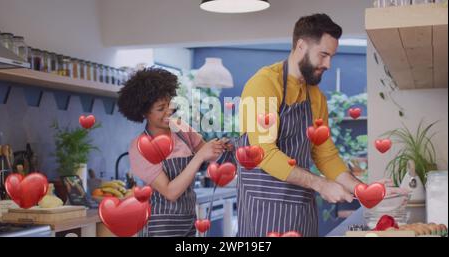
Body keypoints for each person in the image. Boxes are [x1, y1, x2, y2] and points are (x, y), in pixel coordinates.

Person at [236, 13, 403, 237]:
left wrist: (361, 189)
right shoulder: (263, 84)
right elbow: (263, 153)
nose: (328, 64)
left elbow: (325, 156)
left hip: (301, 212)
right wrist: (321, 185)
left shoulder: (316, 97)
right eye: (323, 55)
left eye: (331, 56)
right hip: (264, 214)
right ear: (301, 46)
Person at [117, 67, 232, 236]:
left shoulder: (180, 129)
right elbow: (170, 192)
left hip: (188, 219)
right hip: (162, 225)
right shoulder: (140, 147)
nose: (168, 111)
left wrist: (220, 146)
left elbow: (210, 155)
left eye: (169, 104)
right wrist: (200, 156)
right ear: (143, 112)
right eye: (160, 108)